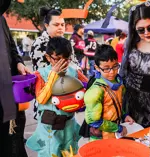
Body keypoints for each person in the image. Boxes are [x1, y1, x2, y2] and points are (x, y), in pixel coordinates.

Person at [26, 37, 88, 157]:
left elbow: (87, 88)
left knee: (70, 152)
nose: (63, 64)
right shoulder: (41, 74)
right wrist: (53, 75)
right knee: (50, 153)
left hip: (69, 125)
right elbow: (41, 99)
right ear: (48, 57)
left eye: (66, 59)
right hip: (49, 127)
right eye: (58, 59)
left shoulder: (74, 72)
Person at [83, 45, 134, 141]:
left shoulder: (119, 83)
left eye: (115, 66)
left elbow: (117, 104)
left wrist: (124, 115)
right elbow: (94, 121)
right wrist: (118, 128)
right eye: (106, 68)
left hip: (115, 133)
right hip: (100, 137)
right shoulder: (96, 91)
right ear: (97, 68)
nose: (112, 72)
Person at [0, 1, 31, 156]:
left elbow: (12, 47)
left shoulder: (2, 20)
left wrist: (19, 63)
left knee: (13, 141)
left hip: (9, 97)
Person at [30, 7, 79, 71]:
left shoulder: (66, 43)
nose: (60, 28)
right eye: (56, 25)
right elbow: (41, 72)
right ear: (46, 25)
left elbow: (75, 63)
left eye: (62, 25)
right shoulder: (39, 44)